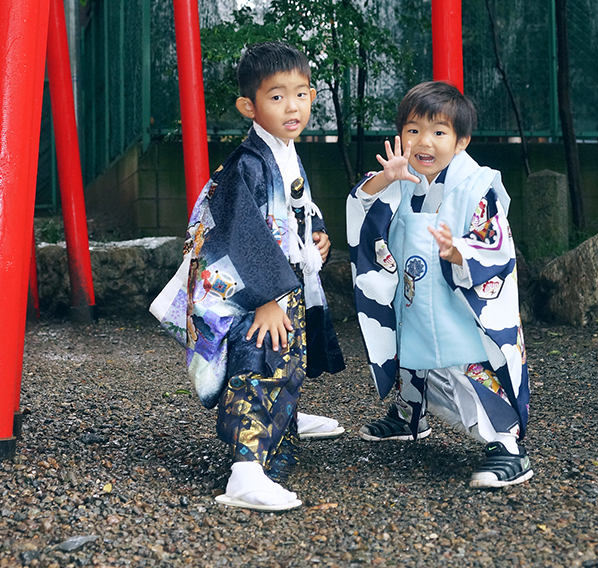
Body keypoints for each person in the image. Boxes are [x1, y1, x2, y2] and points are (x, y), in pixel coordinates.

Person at [151, 41, 345, 511]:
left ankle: (284, 433)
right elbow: (241, 233)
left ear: (313, 97)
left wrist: (316, 233)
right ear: (249, 106)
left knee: (286, 362)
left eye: (300, 94)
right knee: (259, 364)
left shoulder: (283, 153)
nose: (292, 105)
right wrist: (264, 297)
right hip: (253, 294)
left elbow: (296, 210)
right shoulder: (248, 164)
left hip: (281, 284)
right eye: (276, 96)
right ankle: (245, 471)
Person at [346, 80, 532, 489]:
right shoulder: (399, 175)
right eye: (413, 130)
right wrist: (382, 180)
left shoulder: (478, 184)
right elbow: (360, 208)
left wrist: (460, 251)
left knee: (467, 365)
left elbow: (496, 244)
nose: (424, 142)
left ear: (461, 141)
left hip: (458, 300)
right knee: (409, 354)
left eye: (439, 132)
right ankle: (411, 414)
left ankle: (506, 445)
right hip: (413, 294)